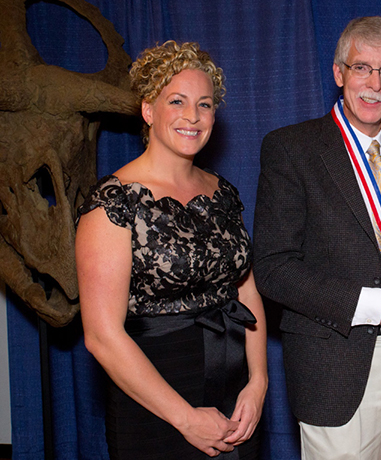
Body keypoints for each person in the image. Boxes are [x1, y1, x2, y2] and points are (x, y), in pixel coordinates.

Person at [253, 16, 381, 459]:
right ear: (339, 73)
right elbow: (274, 269)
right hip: (335, 361)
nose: (374, 83)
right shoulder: (291, 148)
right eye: (362, 68)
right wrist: (375, 305)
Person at [76, 41, 267, 459]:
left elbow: (246, 293)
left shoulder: (222, 192)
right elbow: (101, 336)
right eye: (177, 101)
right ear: (148, 110)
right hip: (154, 402)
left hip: (235, 395)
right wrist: (185, 418)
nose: (193, 116)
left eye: (204, 104)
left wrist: (258, 383)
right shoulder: (114, 201)